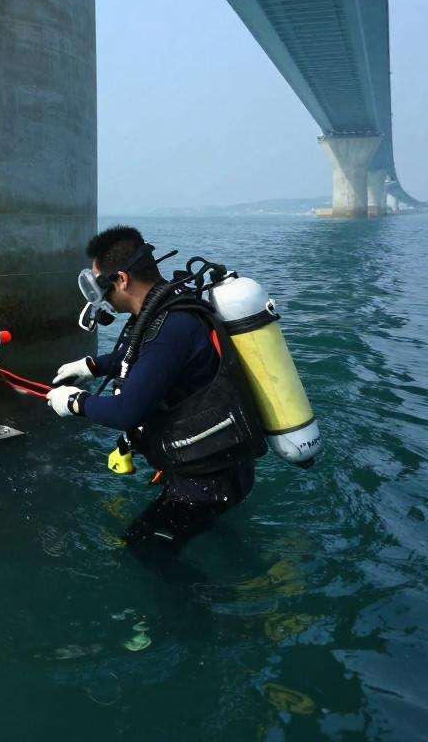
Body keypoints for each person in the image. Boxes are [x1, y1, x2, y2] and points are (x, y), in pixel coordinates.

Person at [45, 225, 264, 552]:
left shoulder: (171, 327)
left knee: (143, 550)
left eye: (101, 287)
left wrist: (75, 402)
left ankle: (221, 597)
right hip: (208, 465)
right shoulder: (164, 309)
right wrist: (91, 366)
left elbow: (126, 412)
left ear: (121, 280)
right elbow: (136, 353)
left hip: (207, 480)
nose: (101, 299)